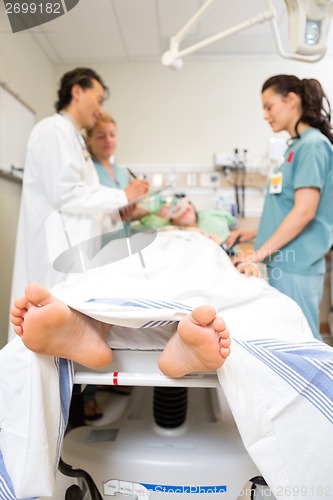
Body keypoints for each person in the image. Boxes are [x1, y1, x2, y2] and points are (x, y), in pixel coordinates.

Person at [10, 68, 149, 338]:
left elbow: (86, 203)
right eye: (98, 99)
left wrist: (116, 215)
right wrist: (123, 195)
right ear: (77, 92)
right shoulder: (53, 130)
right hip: (52, 255)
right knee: (40, 335)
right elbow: (66, 194)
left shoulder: (74, 139)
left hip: (75, 256)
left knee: (60, 335)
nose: (100, 109)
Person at [226, 74, 333, 340]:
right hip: (285, 261)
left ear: (292, 99)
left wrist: (258, 254)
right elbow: (287, 207)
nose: (265, 115)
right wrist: (254, 235)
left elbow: (305, 211)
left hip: (297, 263)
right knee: (288, 337)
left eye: (269, 106)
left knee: (303, 340)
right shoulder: (294, 147)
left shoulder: (313, 146)